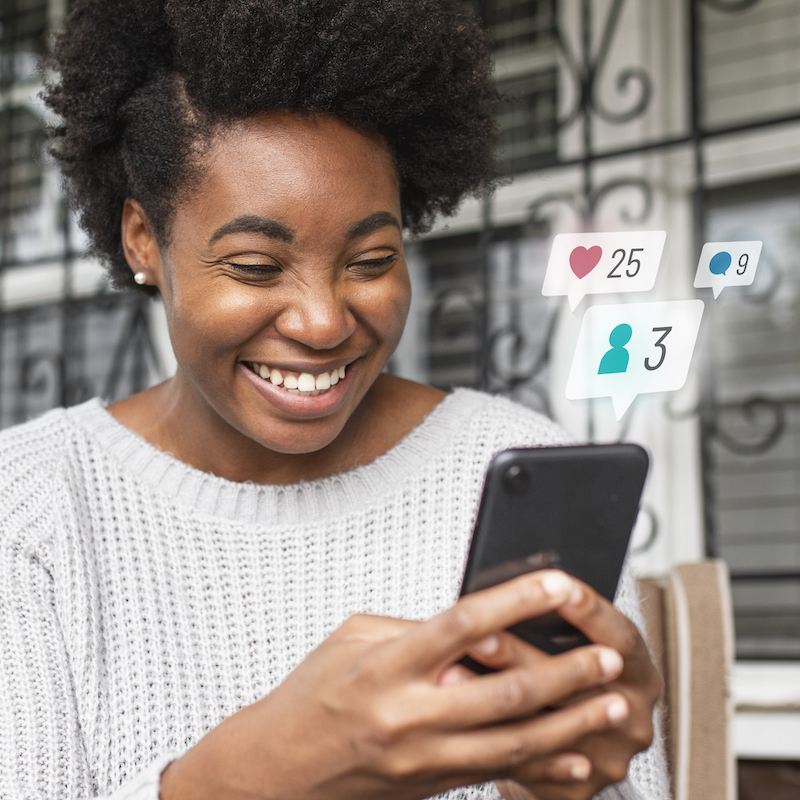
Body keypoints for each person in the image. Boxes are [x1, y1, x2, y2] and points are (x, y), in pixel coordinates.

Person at [0, 1, 668, 798]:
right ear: (144, 238)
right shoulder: (31, 511)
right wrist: (251, 779)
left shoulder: (514, 466)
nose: (323, 322)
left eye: (372, 258)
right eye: (254, 266)